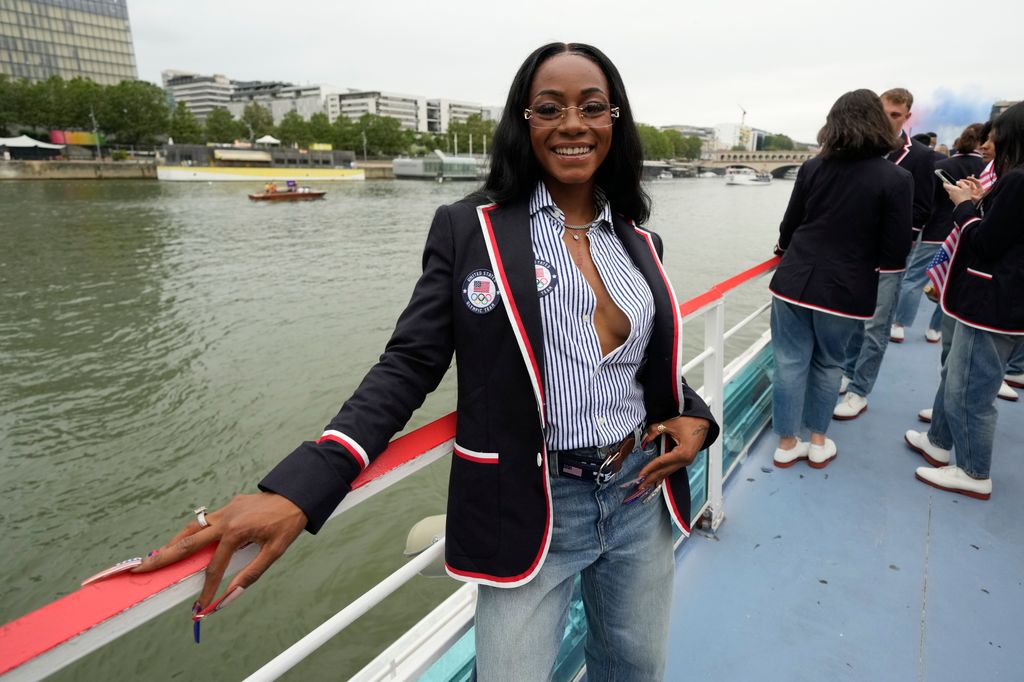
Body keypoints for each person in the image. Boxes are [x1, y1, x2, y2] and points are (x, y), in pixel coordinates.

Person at [128, 42, 718, 680]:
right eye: (550, 108)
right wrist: (301, 486)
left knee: (636, 666)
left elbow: (644, 355)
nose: (572, 123)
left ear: (614, 121)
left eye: (592, 107)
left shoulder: (635, 235)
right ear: (525, 122)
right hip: (532, 503)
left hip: (639, 490)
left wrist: (693, 414)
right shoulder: (472, 229)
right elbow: (409, 364)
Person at [769, 89, 912, 468]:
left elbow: (790, 225)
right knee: (830, 364)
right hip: (847, 288)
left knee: (789, 362)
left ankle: (786, 443)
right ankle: (818, 440)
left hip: (795, 281)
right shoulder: (896, 178)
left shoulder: (813, 167)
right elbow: (895, 250)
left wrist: (785, 249)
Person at [905, 102, 1024, 499]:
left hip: (991, 303)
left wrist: (964, 207)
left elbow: (986, 242)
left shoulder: (1018, 180)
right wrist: (979, 202)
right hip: (1002, 300)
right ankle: (938, 440)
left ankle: (974, 472)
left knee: (971, 390)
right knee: (958, 376)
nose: (990, 142)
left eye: (996, 135)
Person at [834, 87, 933, 419]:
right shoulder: (858, 150)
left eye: (895, 115)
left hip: (888, 257)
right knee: (851, 319)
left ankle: (860, 390)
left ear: (907, 117)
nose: (888, 120)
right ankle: (848, 370)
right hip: (853, 253)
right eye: (883, 113)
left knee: (877, 326)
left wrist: (891, 236)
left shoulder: (919, 156)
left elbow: (921, 210)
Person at [892, 123, 985, 344]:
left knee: (914, 279)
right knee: (951, 282)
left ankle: (899, 325)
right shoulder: (986, 168)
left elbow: (926, 200)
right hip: (966, 232)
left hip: (936, 230)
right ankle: (935, 329)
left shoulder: (941, 164)